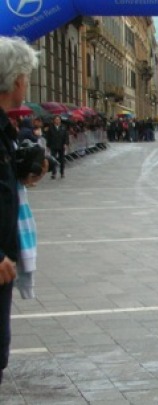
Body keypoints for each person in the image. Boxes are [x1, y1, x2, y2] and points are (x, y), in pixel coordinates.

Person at [0, 35, 41, 385]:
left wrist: (22, 176)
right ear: (15, 79)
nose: (26, 83)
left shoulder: (5, 129)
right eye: (26, 76)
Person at [46, 115, 69, 179]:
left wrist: (65, 143)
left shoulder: (63, 127)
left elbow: (66, 137)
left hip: (61, 146)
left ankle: (62, 172)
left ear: (60, 120)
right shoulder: (51, 128)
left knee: (62, 160)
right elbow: (48, 137)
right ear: (54, 120)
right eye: (56, 119)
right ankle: (54, 173)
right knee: (53, 160)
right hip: (53, 145)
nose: (57, 121)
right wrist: (48, 145)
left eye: (58, 119)